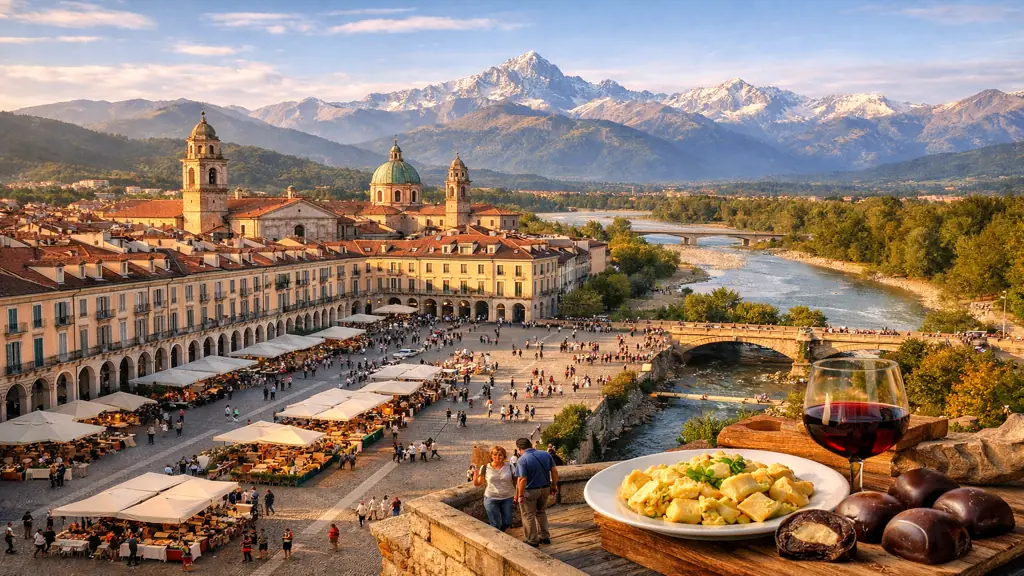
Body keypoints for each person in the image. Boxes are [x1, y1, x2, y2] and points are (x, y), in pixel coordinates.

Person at [514, 438, 558, 547]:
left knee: (528, 515)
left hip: (530, 491)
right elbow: (554, 471)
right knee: (541, 512)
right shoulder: (545, 454)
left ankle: (532, 540)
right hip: (545, 488)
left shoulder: (522, 459)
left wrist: (519, 495)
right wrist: (554, 485)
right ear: (531, 445)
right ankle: (545, 537)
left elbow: (522, 479)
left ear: (519, 449)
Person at [473, 445, 516, 532]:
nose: (497, 457)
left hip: (507, 497)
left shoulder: (510, 466)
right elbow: (478, 483)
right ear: (491, 456)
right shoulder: (485, 468)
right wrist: (475, 476)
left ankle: (500, 533)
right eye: (495, 454)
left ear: (504, 456)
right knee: (495, 524)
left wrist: (518, 494)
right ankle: (498, 538)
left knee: (508, 521)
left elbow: (516, 481)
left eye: (500, 455)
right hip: (491, 498)